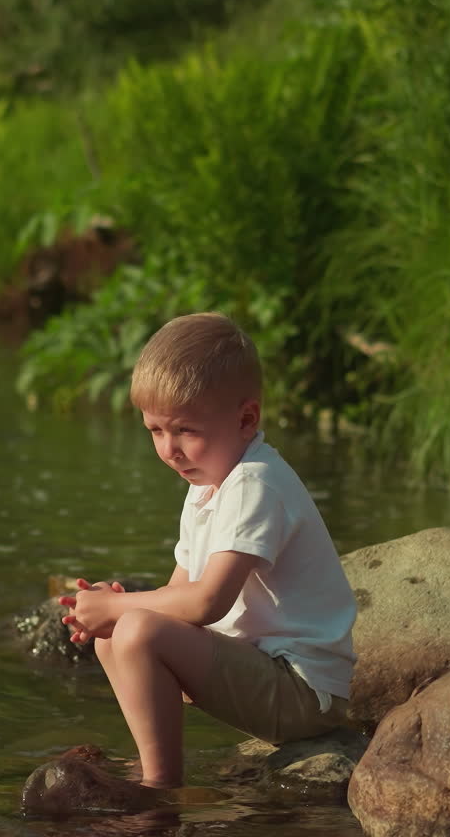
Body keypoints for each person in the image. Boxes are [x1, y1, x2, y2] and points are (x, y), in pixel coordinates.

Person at [59, 312, 357, 790]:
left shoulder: (255, 484)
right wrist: (112, 610)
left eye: (185, 431)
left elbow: (205, 603)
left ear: (246, 419)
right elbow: (178, 594)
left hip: (302, 693)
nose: (169, 450)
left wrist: (120, 607)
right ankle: (151, 765)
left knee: (133, 625)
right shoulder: (206, 486)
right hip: (261, 673)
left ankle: (159, 788)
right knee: (115, 636)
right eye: (155, 431)